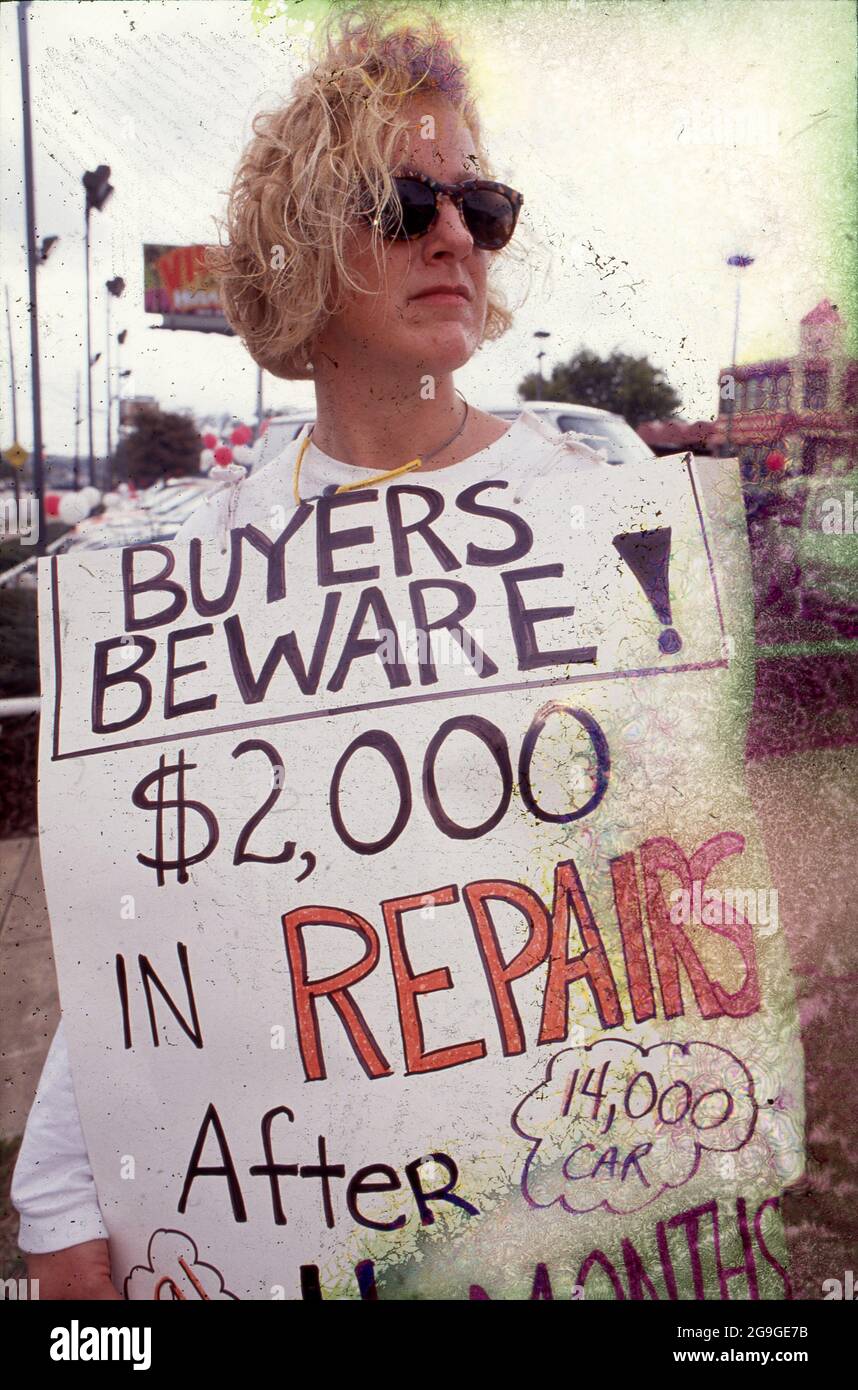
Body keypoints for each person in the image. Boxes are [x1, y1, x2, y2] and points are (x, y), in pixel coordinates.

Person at [12, 4, 605, 1299]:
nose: (454, 233)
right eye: (402, 204)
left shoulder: (591, 515)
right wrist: (66, 1204)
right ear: (298, 249)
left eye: (480, 205)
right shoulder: (207, 564)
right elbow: (151, 932)